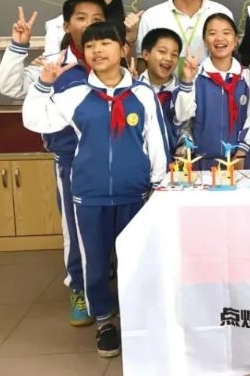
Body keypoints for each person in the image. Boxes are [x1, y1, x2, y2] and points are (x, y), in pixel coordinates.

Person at [22, 21, 169, 357]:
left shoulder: (142, 94)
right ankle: (104, 321)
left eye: (105, 43)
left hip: (135, 194)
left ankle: (136, 317)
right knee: (95, 262)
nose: (97, 50)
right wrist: (44, 85)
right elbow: (35, 120)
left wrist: (158, 185)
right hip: (89, 194)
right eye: (90, 46)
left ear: (123, 49)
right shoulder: (75, 94)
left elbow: (156, 142)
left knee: (136, 260)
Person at [0, 0, 107, 328]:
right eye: (81, 18)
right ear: (68, 24)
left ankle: (107, 290)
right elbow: (9, 86)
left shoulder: (113, 59)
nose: (89, 25)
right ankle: (79, 288)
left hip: (115, 159)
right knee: (75, 228)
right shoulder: (53, 62)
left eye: (97, 19)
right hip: (73, 161)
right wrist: (19, 46)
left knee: (111, 228)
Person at [174, 13, 250, 170]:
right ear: (205, 41)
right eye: (212, 33)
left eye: (226, 33)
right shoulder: (195, 76)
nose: (220, 38)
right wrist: (187, 80)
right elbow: (182, 117)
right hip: (202, 162)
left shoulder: (247, 76)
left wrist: (241, 153)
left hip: (239, 161)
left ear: (236, 40)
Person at [139, 28, 182, 152]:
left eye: (174, 54)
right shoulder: (132, 92)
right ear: (146, 54)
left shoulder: (183, 93)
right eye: (162, 51)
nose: (169, 58)